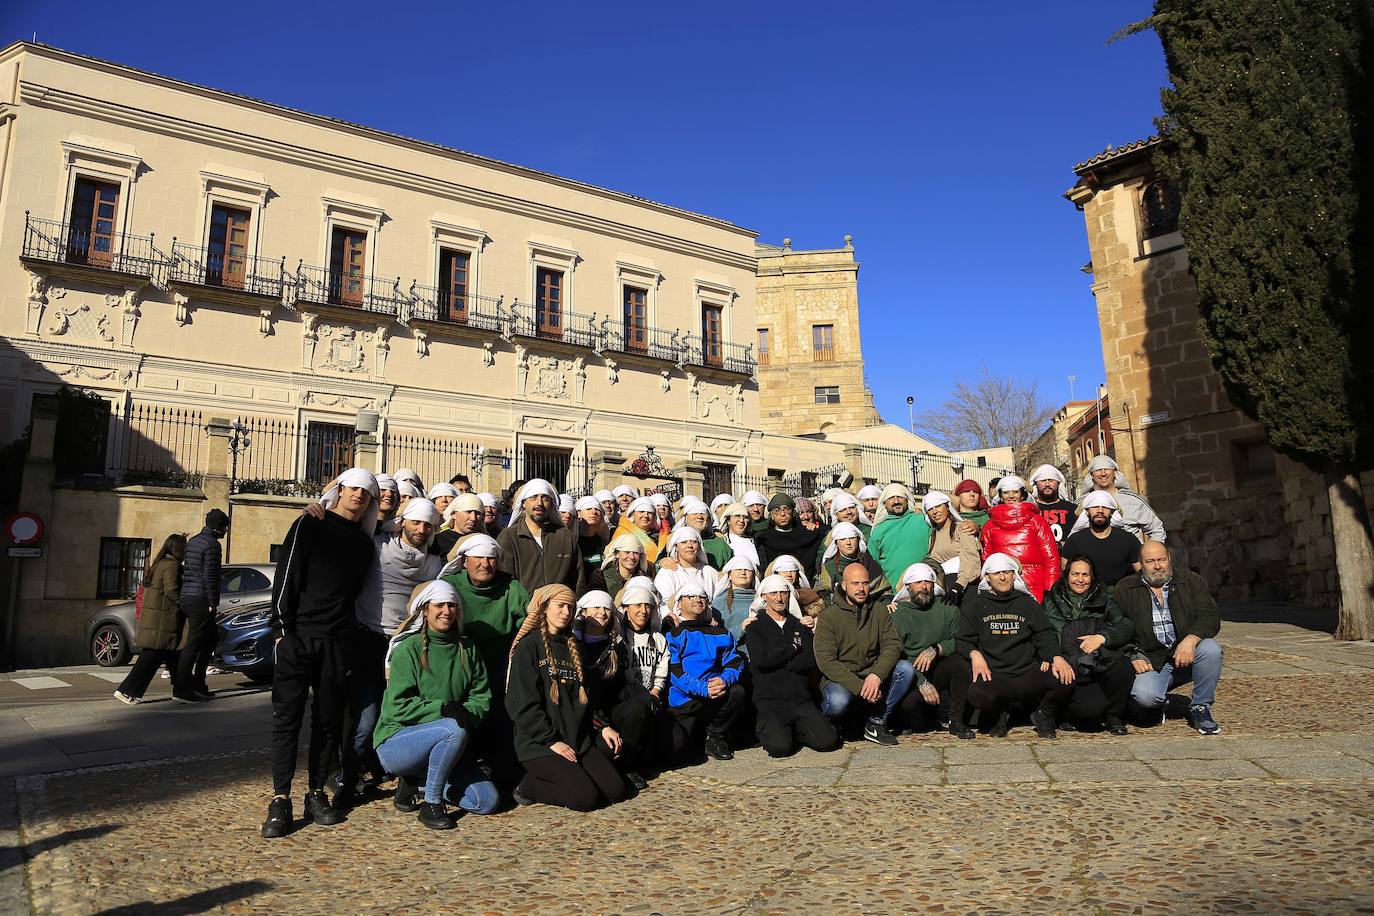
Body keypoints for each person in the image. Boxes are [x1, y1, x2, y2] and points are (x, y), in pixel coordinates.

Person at [262, 468, 378, 838]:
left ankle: (315, 793)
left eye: (366, 491)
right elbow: (287, 575)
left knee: (327, 722)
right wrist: (281, 632)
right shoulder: (309, 523)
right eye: (352, 488)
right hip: (299, 637)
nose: (358, 495)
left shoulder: (364, 542)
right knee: (287, 720)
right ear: (340, 491)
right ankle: (280, 798)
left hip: (337, 642)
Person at [341, 496, 444, 803]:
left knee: (406, 714)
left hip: (408, 645)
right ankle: (346, 774)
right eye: (416, 521)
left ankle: (406, 779)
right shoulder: (377, 545)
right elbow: (351, 514)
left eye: (428, 524)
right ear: (403, 522)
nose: (422, 528)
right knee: (367, 714)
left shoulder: (435, 561)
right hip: (371, 637)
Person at [374, 581, 499, 829]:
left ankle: (418, 784)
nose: (446, 611)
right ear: (425, 610)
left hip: (449, 743)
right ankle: (431, 804)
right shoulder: (408, 649)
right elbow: (396, 707)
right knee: (453, 728)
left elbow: (480, 696)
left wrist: (467, 713)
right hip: (396, 743)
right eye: (439, 605)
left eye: (451, 605)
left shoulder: (468, 649)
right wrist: (442, 709)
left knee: (487, 801)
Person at [506, 585, 629, 810]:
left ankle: (574, 775)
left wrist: (602, 726)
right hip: (540, 744)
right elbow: (521, 704)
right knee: (585, 799)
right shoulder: (528, 647)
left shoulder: (576, 647)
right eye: (560, 606)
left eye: (570, 607)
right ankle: (529, 786)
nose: (566, 612)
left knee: (616, 790)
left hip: (577, 739)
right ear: (543, 608)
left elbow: (588, 698)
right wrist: (550, 740)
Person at [958, 554, 1075, 739]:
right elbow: (963, 640)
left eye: (1007, 572)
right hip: (995, 674)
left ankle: (1043, 713)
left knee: (1066, 675)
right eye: (996, 573)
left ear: (1015, 575)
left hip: (1027, 672)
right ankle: (999, 716)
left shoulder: (1028, 604)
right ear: (987, 577)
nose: (1002, 577)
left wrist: (1056, 657)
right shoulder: (975, 606)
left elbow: (1044, 635)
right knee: (976, 694)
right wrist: (974, 654)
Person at [1113, 541, 1222, 735]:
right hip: (1152, 659)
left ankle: (1200, 707)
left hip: (1185, 653)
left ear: (1169, 559)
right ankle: (1163, 699)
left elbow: (1210, 616)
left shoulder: (1191, 581)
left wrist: (1191, 639)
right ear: (1140, 563)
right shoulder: (1125, 588)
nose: (1157, 566)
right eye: (1150, 561)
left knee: (1211, 649)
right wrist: (1133, 653)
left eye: (1162, 560)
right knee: (1146, 697)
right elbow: (1117, 626)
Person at [812, 562, 914, 745]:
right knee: (837, 701)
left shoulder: (879, 610)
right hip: (841, 678)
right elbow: (826, 661)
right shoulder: (829, 616)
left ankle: (876, 722)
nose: (861, 588)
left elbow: (892, 645)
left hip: (871, 674)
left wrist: (876, 674)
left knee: (905, 669)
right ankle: (833, 724)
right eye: (855, 583)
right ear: (844, 585)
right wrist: (859, 687)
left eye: (865, 583)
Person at [744, 575, 840, 757]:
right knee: (779, 748)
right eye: (773, 593)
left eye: (783, 593)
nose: (779, 598)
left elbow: (809, 661)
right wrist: (793, 648)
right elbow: (761, 660)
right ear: (764, 596)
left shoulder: (800, 625)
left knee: (828, 741)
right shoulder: (755, 627)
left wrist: (778, 658)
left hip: (801, 700)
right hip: (771, 702)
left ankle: (797, 730)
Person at [1043, 557, 1136, 736]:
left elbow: (1125, 625)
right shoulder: (1052, 600)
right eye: (1075, 574)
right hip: (1069, 661)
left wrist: (1102, 637)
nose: (1080, 579)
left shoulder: (1105, 596)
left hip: (1099, 656)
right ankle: (1065, 713)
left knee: (1124, 668)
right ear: (1066, 575)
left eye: (1085, 574)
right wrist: (1054, 657)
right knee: (1089, 713)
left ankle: (1114, 716)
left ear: (1092, 577)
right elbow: (1045, 633)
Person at [573, 590, 653, 791]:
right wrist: (600, 724)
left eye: (607, 608)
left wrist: (644, 697)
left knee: (636, 708)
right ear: (583, 612)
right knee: (606, 754)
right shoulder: (572, 643)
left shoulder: (615, 644)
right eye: (597, 607)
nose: (602, 612)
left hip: (610, 710)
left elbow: (619, 685)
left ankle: (629, 766)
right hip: (585, 717)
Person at [888, 563, 973, 738]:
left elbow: (961, 641)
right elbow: (895, 655)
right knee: (908, 702)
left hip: (938, 668)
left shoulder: (947, 609)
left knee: (960, 663)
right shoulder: (898, 615)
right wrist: (921, 681)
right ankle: (904, 718)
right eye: (918, 582)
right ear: (908, 586)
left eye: (928, 582)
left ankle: (956, 721)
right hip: (911, 676)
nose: (924, 587)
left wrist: (937, 648)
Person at [665, 581, 746, 761]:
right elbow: (674, 671)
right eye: (691, 596)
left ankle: (715, 737)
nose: (698, 600)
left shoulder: (721, 633)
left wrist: (724, 680)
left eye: (702, 596)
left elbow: (734, 661)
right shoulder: (673, 634)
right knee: (682, 751)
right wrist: (703, 688)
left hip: (715, 693)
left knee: (737, 692)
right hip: (686, 698)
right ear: (680, 603)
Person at [114, 534, 188, 705]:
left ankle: (182, 689)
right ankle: (127, 690)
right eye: (184, 547)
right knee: (150, 658)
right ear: (178, 548)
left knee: (174, 655)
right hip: (163, 621)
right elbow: (171, 590)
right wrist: (184, 605)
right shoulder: (171, 566)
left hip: (158, 620)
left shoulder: (160, 563)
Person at [979, 476, 1062, 601]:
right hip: (1002, 587)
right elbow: (986, 560)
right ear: (1000, 496)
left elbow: (1051, 559)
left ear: (1022, 495)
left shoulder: (1037, 521)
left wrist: (1050, 590)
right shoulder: (990, 526)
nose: (1011, 496)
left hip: (1036, 587)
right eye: (1006, 492)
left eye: (1015, 492)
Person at [496, 479, 586, 594]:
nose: (539, 503)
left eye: (545, 498)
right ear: (523, 503)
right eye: (533, 497)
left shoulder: (565, 537)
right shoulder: (508, 537)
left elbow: (578, 581)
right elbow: (503, 583)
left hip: (561, 610)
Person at [176, 508, 228, 701]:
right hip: (200, 598)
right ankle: (182, 689)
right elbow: (209, 575)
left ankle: (198, 684)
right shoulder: (212, 545)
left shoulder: (193, 542)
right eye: (225, 527)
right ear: (218, 528)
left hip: (188, 596)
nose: (226, 531)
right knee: (195, 643)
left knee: (210, 639)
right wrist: (212, 602)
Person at [1071, 455, 1167, 543]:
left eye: (1107, 469)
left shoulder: (1133, 500)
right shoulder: (1081, 504)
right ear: (1091, 475)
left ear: (1115, 473)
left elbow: (1157, 530)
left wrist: (1149, 553)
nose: (1103, 473)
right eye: (1098, 470)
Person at [1062, 491, 1143, 587]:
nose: (1100, 510)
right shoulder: (1074, 541)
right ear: (1087, 512)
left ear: (1112, 512)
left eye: (1105, 507)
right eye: (1095, 506)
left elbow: (1142, 573)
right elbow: (1064, 572)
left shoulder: (1129, 540)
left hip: (1120, 597)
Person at [867, 483, 932, 590]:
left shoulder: (923, 521)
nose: (896, 501)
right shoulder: (878, 531)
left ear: (907, 500)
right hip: (894, 595)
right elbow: (872, 563)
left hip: (925, 589)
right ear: (885, 503)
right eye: (891, 498)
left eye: (900, 497)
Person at [921, 491, 981, 604]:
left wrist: (959, 584)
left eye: (938, 506)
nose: (935, 512)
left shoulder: (962, 528)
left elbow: (970, 556)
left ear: (947, 507)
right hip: (943, 588)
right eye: (930, 509)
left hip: (964, 587)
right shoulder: (932, 536)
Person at [653, 526, 722, 626]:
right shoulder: (667, 573)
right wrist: (669, 617)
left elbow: (719, 601)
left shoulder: (709, 572)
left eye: (694, 542)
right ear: (676, 546)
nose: (689, 545)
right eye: (684, 542)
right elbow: (662, 604)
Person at [755, 494, 828, 582]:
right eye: (777, 510)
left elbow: (832, 532)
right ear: (772, 516)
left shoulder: (808, 534)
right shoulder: (764, 539)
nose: (782, 514)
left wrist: (815, 526)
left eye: (787, 509)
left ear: (793, 513)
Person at [815, 521, 888, 600]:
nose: (848, 543)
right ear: (836, 543)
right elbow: (823, 595)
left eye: (852, 538)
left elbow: (885, 591)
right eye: (843, 539)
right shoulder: (830, 567)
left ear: (858, 540)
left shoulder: (869, 561)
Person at [711, 556, 759, 642]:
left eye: (747, 569)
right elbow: (716, 637)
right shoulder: (718, 602)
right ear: (729, 575)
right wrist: (741, 628)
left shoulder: (761, 601)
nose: (743, 572)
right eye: (738, 569)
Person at [611, 496, 670, 565]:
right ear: (633, 514)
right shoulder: (622, 533)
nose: (646, 515)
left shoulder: (662, 535)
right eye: (641, 511)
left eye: (649, 512)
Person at [1029, 465, 1078, 548]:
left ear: (1058, 483)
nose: (1047, 484)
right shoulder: (1029, 510)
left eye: (1051, 480)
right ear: (1036, 484)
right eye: (1043, 480)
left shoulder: (1072, 509)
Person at [590, 534, 650, 599]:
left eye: (635, 553)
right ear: (617, 554)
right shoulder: (602, 578)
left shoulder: (644, 580)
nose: (632, 557)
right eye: (627, 552)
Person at [679, 497, 732, 569]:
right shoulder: (675, 542)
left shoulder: (720, 545)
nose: (699, 516)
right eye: (694, 513)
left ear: (709, 519)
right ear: (685, 518)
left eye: (703, 513)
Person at [433, 492, 485, 558]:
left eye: (478, 513)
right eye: (468, 512)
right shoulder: (437, 541)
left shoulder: (484, 540)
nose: (473, 518)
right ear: (454, 514)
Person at [572, 495, 612, 576]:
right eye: (588, 509)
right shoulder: (572, 542)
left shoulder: (604, 543)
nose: (594, 512)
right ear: (578, 513)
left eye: (597, 509)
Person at [719, 502, 760, 568]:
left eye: (745, 517)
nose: (741, 520)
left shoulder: (756, 540)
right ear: (728, 521)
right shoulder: (722, 540)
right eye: (737, 516)